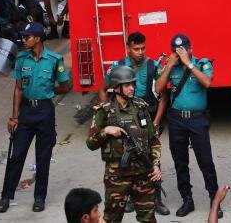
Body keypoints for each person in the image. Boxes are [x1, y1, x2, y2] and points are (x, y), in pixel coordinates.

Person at [0, 21, 72, 214]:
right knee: (16, 155)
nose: (23, 40)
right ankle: (6, 196)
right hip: (26, 111)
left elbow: (65, 86)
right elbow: (18, 89)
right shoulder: (22, 58)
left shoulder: (54, 60)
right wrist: (14, 117)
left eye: (27, 37)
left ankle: (39, 198)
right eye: (23, 37)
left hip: (45, 111)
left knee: (43, 157)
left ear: (37, 39)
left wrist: (49, 91)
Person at [154, 33, 219, 217]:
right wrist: (169, 65)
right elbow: (158, 89)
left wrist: (189, 63)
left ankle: (215, 200)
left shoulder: (202, 63)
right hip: (176, 119)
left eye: (183, 49)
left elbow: (207, 82)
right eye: (176, 51)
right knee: (180, 162)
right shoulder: (170, 67)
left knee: (205, 161)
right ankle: (187, 199)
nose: (180, 53)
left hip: (197, 120)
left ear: (190, 49)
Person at [86, 65, 162, 222]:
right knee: (112, 219)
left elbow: (154, 140)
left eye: (132, 84)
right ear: (116, 87)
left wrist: (155, 165)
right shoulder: (104, 110)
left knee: (148, 218)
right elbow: (91, 143)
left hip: (143, 173)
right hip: (117, 177)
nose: (131, 88)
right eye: (127, 85)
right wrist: (106, 131)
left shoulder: (141, 107)